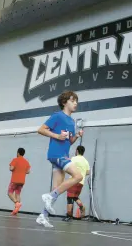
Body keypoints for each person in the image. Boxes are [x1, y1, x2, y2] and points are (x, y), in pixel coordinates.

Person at [36, 90, 84, 228]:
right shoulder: (57, 116)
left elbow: (69, 141)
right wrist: (57, 136)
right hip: (57, 154)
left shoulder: (71, 121)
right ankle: (49, 197)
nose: (75, 103)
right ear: (64, 102)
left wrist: (77, 136)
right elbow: (41, 129)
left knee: (57, 188)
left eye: (76, 101)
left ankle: (43, 216)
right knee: (78, 175)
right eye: (72, 100)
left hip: (63, 154)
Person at [64, 145, 90, 221]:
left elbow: (68, 167)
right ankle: (82, 207)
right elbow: (87, 172)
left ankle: (69, 215)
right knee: (75, 197)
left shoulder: (74, 158)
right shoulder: (86, 161)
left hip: (73, 180)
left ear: (77, 151)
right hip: (81, 182)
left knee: (69, 198)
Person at [8, 148, 31, 215]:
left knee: (10, 193)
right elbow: (28, 171)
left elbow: (11, 168)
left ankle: (17, 203)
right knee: (17, 194)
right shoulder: (26, 162)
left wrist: (11, 168)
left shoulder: (15, 160)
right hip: (22, 181)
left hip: (14, 180)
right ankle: (16, 210)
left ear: (18, 153)